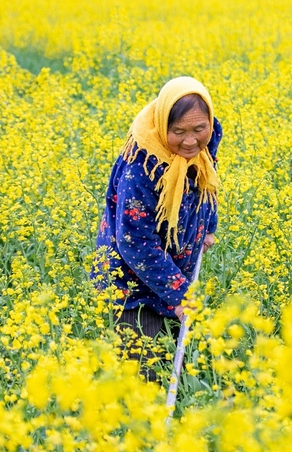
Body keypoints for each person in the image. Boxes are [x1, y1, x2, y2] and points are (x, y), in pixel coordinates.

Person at [91, 76, 222, 378]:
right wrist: (179, 295)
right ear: (163, 126)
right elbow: (136, 243)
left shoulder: (207, 137)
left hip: (169, 271)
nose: (190, 141)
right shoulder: (142, 167)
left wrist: (208, 225)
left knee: (178, 362)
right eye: (179, 132)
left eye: (198, 129)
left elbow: (207, 179)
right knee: (142, 376)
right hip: (130, 285)